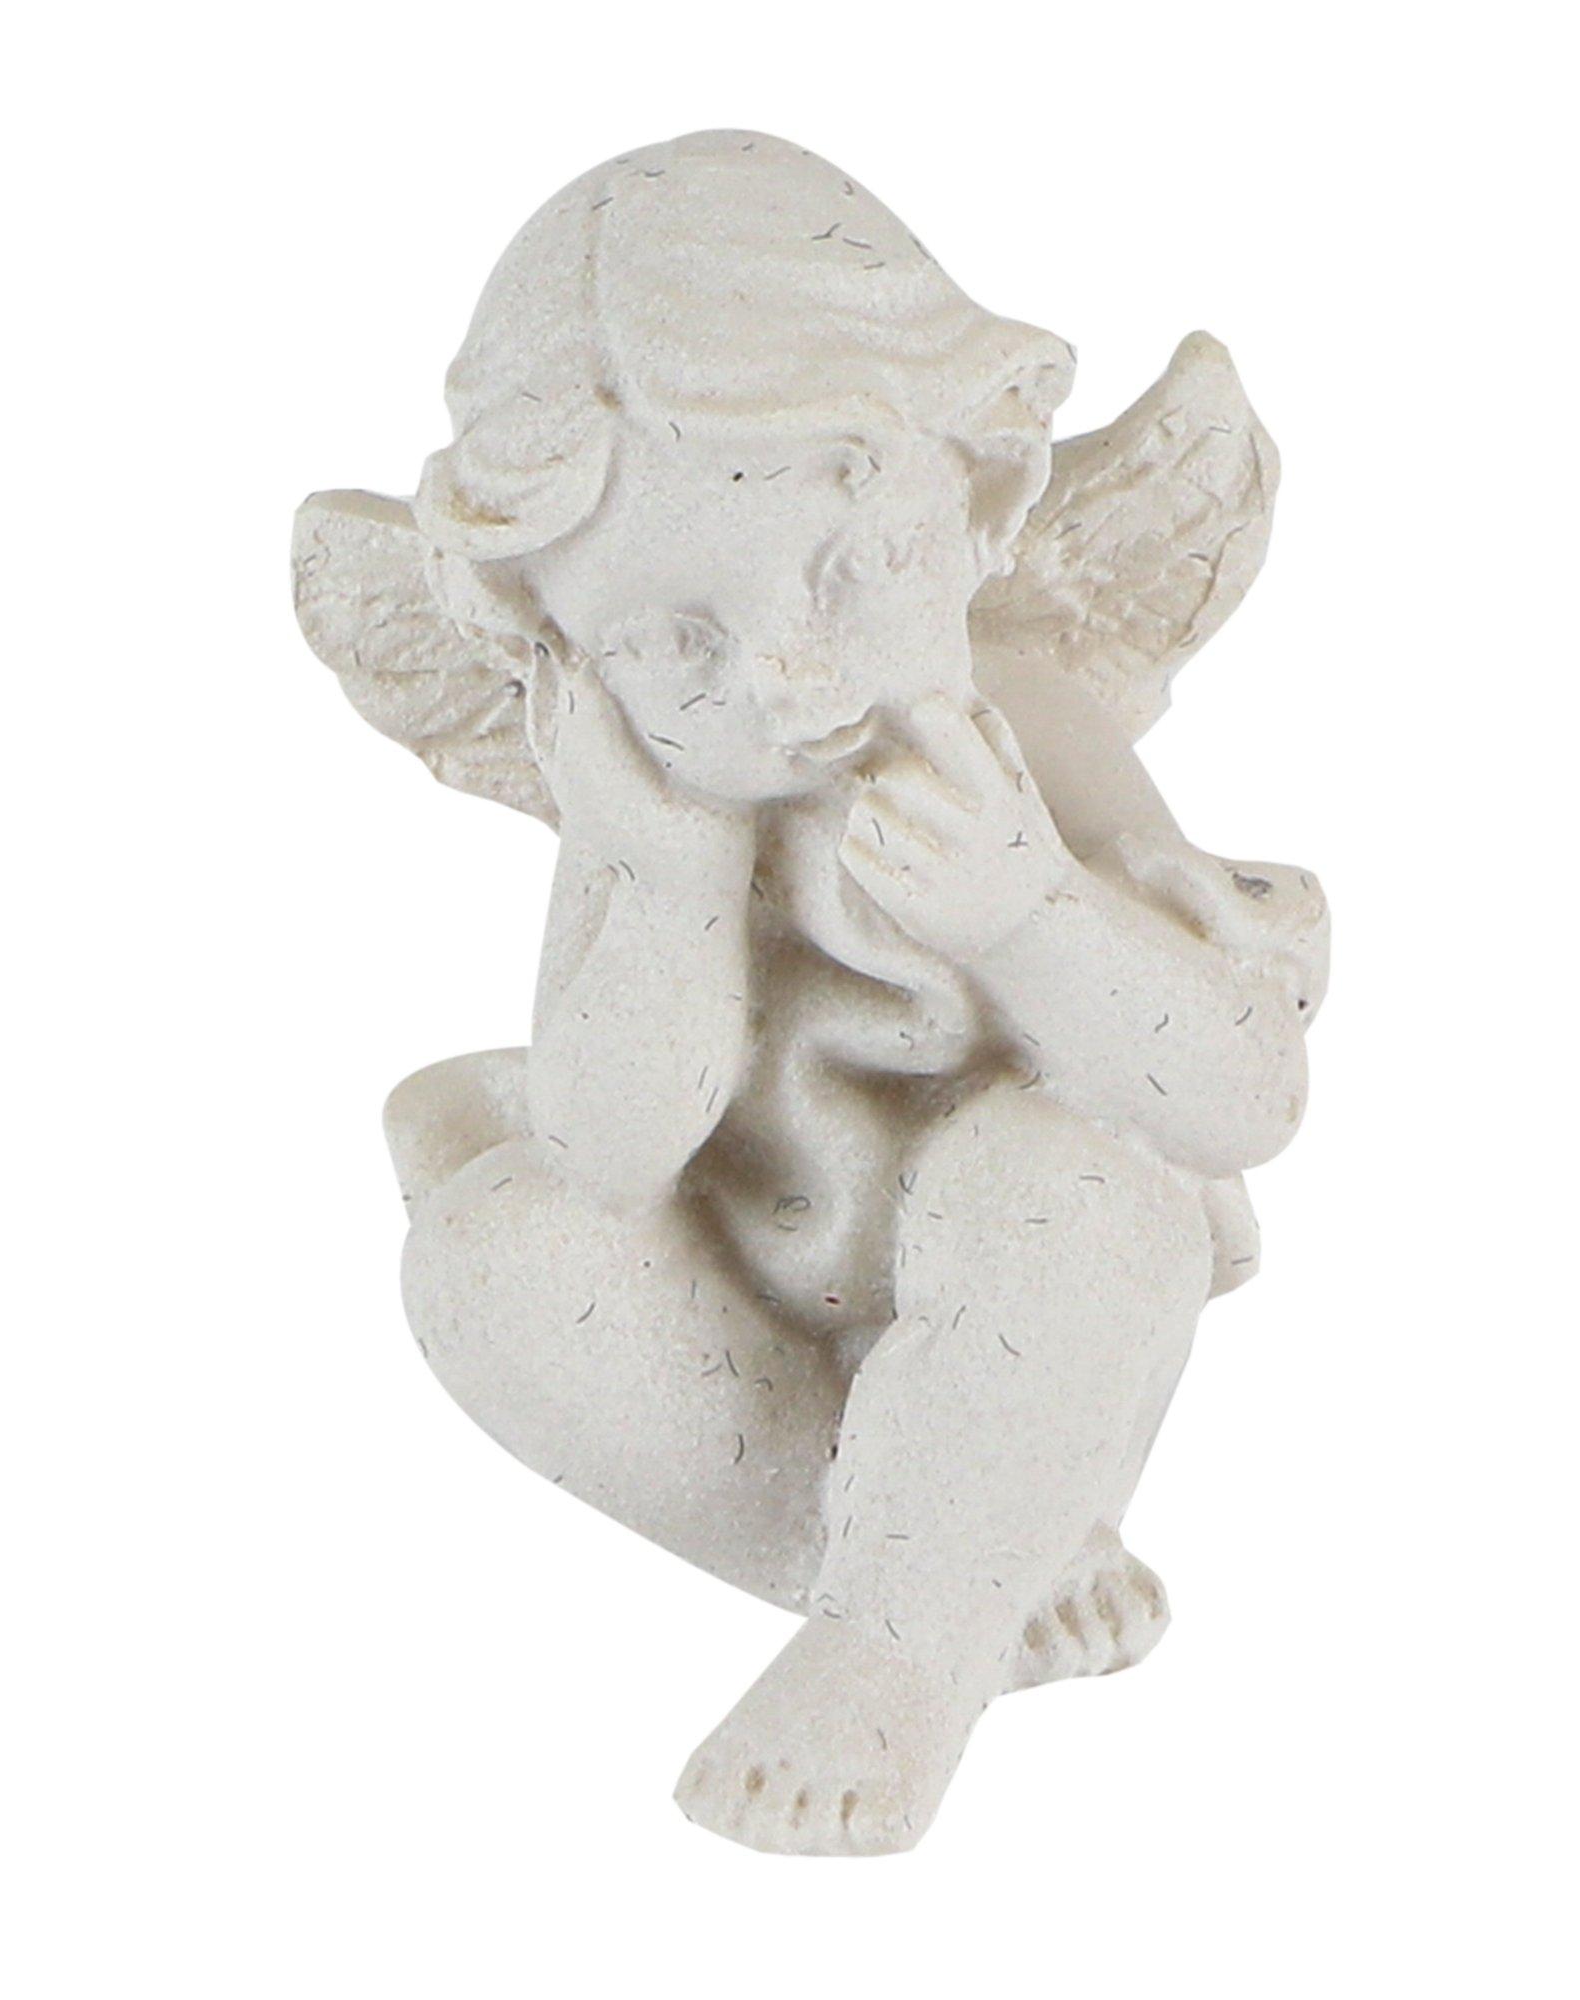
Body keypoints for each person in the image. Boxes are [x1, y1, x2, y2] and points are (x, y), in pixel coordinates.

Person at [369, 131, 1325, 1853]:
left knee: (1076, 1195)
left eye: (844, 569)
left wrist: (1032, 910)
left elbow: (1240, 1092)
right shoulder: (651, 809)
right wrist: (661, 877)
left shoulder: (1017, 741)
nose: (784, 681)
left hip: (1033, 1293)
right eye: (673, 643)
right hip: (759, 1315)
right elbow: (610, 1150)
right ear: (561, 656)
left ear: (975, 502)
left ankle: (901, 1648)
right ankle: (934, 1566)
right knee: (487, 1255)